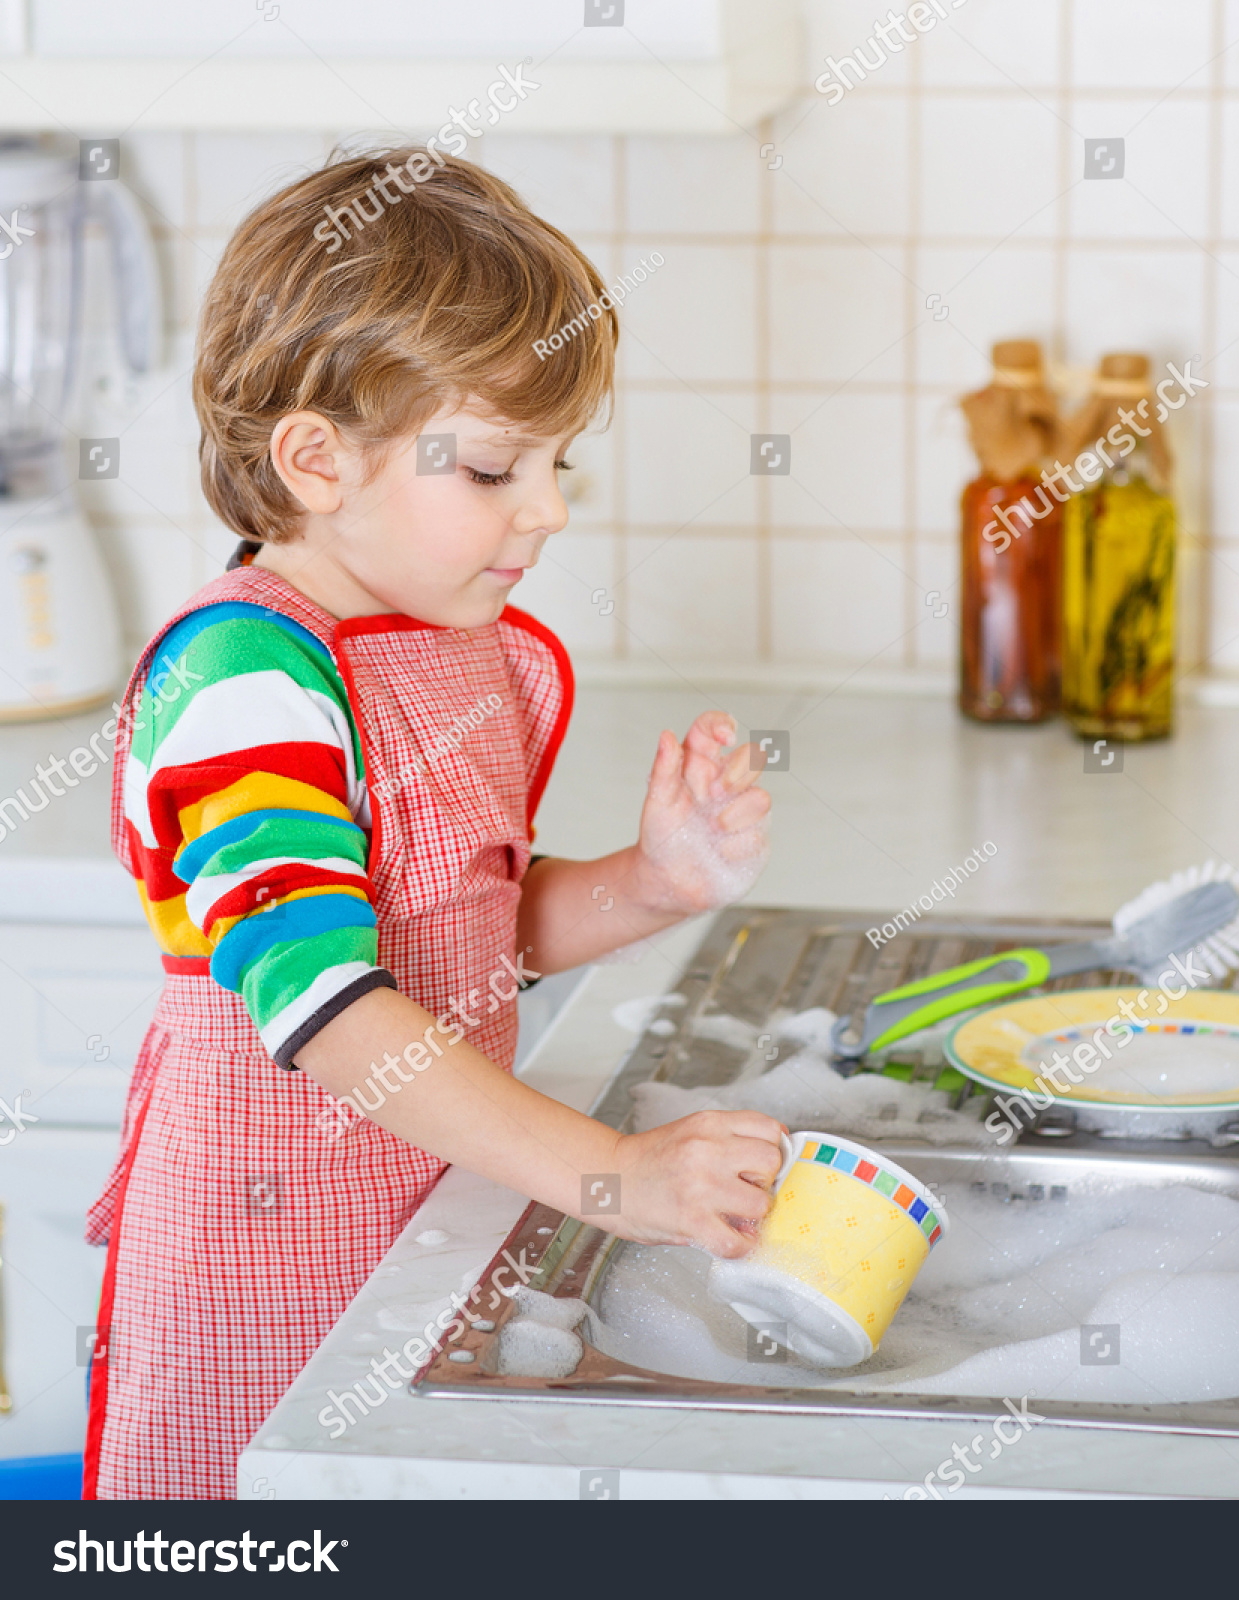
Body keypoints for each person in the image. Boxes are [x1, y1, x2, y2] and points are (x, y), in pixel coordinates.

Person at [84, 147, 784, 1499]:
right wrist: (614, 1179)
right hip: (263, 1264)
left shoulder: (448, 641)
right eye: (495, 470)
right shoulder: (245, 685)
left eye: (559, 464)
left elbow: (463, 935)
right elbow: (336, 1008)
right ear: (316, 459)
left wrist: (651, 879)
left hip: (431, 1215)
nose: (551, 508)